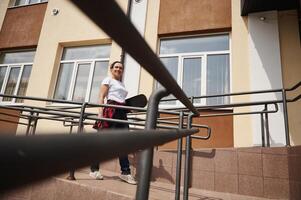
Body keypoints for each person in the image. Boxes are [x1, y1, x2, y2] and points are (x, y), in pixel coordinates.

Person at [90, 61, 137, 185]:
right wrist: (100, 114)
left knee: (124, 143)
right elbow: (101, 96)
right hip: (110, 111)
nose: (118, 69)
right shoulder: (108, 80)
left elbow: (121, 100)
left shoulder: (122, 84)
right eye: (116, 67)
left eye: (121, 68)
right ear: (111, 69)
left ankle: (125, 173)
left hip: (122, 113)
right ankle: (94, 170)